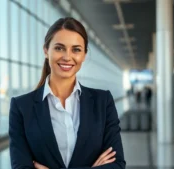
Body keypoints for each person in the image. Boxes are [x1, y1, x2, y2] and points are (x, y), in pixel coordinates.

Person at [9, 17, 126, 169]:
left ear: (84, 55)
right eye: (59, 48)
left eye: (76, 49)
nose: (67, 57)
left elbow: (117, 165)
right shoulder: (21, 107)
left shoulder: (103, 102)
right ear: (46, 51)